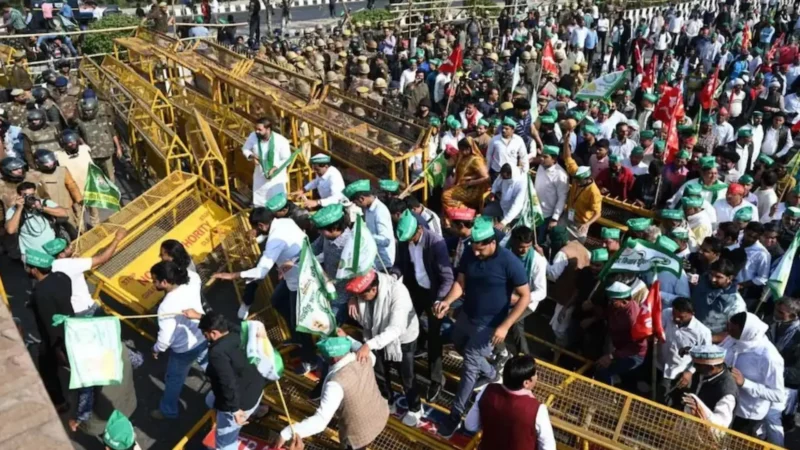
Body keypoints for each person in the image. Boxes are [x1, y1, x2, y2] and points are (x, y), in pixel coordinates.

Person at [434, 217, 531, 438]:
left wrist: (505, 326)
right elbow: (460, 282)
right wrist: (447, 302)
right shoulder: (470, 252)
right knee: (458, 343)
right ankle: (490, 372)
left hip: (490, 324)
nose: (476, 254)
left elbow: (525, 297)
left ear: (491, 242)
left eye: (480, 250)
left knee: (469, 363)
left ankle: (455, 414)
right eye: (474, 249)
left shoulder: (510, 262)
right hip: (467, 315)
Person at [212, 207, 317, 373]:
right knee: (277, 300)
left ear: (261, 225)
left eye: (255, 228)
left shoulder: (274, 240)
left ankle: (310, 359)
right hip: (295, 273)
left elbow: (261, 271)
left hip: (299, 282)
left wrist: (233, 275)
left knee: (299, 321)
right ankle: (297, 339)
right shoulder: (285, 222)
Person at [275, 336, 389, 449]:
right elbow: (360, 346)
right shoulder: (365, 356)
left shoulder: (335, 383)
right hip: (381, 415)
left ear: (333, 359)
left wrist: (287, 432)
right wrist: (347, 337)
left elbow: (320, 421)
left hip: (358, 435)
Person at [344, 268, 423, 426]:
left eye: (362, 296)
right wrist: (353, 298)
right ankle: (388, 399)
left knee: (406, 376)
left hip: (402, 339)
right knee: (379, 370)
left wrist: (369, 345)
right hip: (375, 332)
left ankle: (415, 408)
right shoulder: (370, 287)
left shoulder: (398, 293)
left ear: (374, 289)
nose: (361, 300)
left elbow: (396, 329)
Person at [392, 210, 453, 402]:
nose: (409, 241)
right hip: (415, 290)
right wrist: (393, 275)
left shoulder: (436, 243)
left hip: (434, 294)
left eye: (412, 238)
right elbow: (399, 264)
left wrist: (440, 300)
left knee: (435, 337)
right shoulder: (404, 239)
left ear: (420, 229)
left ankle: (436, 379)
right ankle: (414, 349)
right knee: (407, 323)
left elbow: (447, 277)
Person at [198, 312, 268, 449]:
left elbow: (228, 382)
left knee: (225, 443)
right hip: (255, 387)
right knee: (209, 400)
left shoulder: (217, 352)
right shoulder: (238, 333)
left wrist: (235, 410)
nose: (204, 336)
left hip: (239, 403)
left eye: (204, 333)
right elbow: (225, 323)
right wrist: (200, 317)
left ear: (213, 333)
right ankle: (257, 411)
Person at [149, 261, 207, 420]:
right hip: (202, 336)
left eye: (154, 280)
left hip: (183, 350)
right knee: (212, 368)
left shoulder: (165, 306)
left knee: (174, 381)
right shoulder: (193, 279)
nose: (153, 283)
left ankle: (168, 411)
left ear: (165, 282)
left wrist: (156, 349)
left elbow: (165, 340)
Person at [464, 355, 556, 450]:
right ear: (526, 383)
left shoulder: (487, 390)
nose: (537, 376)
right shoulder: (538, 410)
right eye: (536, 374)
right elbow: (549, 447)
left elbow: (470, 425)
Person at [722, 312, 786, 445]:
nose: (728, 331)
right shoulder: (734, 339)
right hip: (726, 403)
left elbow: (778, 395)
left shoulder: (769, 358)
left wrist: (745, 382)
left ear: (745, 332)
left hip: (746, 414)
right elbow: (719, 351)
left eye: (732, 329)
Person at [26, 249, 73, 411]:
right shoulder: (62, 277)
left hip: (55, 337)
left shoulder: (41, 293)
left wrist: (57, 349)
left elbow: (49, 323)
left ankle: (60, 403)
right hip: (72, 325)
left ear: (34, 270)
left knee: (47, 369)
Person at [42, 229, 127, 316]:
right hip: (86, 309)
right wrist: (117, 239)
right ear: (61, 254)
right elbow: (103, 258)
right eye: (67, 248)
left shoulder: (48, 266)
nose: (71, 247)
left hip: (71, 310)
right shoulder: (72, 264)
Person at [658, 298, 712, 408]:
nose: (676, 318)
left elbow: (704, 357)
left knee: (663, 401)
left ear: (692, 314)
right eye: (674, 314)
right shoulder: (666, 313)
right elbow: (658, 328)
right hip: (658, 363)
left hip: (676, 372)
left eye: (681, 317)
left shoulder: (703, 332)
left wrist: (690, 372)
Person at [594, 281, 648, 386]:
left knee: (604, 372)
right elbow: (607, 314)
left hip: (633, 355)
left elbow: (638, 346)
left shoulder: (633, 318)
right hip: (619, 348)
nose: (610, 303)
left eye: (612, 301)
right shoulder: (615, 307)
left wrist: (611, 356)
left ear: (623, 301)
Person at [505, 226, 547, 355]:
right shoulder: (506, 251)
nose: (524, 250)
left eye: (528, 247)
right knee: (517, 328)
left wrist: (520, 299)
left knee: (502, 322)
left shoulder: (537, 261)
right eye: (521, 247)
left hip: (527, 302)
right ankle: (524, 358)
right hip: (505, 296)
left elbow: (542, 292)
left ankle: (501, 354)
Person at [5, 181, 69, 256]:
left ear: (35, 193)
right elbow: (10, 230)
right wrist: (19, 209)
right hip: (33, 256)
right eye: (25, 195)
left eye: (31, 195)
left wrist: (41, 208)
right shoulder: (14, 210)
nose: (29, 198)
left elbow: (64, 213)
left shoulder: (43, 203)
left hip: (53, 250)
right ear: (19, 195)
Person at [682, 345, 739, 428]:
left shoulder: (726, 393)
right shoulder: (704, 372)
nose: (694, 367)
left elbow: (719, 427)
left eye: (697, 365)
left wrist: (699, 409)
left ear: (711, 368)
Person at [343, 180, 395, 269]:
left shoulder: (380, 211)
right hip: (373, 258)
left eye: (356, 203)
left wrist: (363, 235)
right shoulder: (368, 209)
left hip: (383, 262)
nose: (357, 206)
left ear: (361, 199)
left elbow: (386, 240)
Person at [767, 297, 800, 435]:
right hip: (767, 378)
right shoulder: (771, 324)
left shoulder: (798, 336)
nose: (776, 314)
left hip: (786, 386)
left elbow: (797, 374)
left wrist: (774, 370)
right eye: (776, 310)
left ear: (792, 316)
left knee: (772, 420)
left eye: (781, 313)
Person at [242, 118, 293, 207]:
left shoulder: (281, 141)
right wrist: (252, 156)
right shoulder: (253, 136)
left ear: (268, 129)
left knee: (277, 206)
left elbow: (287, 159)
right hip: (260, 180)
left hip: (276, 180)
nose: (257, 132)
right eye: (256, 129)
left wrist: (275, 167)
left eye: (260, 130)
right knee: (261, 208)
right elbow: (245, 149)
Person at [562, 130, 602, 242]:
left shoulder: (594, 192)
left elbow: (598, 213)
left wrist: (587, 224)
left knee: (577, 245)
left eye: (579, 180)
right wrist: (566, 142)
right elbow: (567, 158)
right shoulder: (577, 175)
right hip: (569, 216)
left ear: (587, 178)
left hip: (581, 223)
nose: (576, 181)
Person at [442, 138, 491, 211]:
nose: (461, 152)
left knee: (445, 196)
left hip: (472, 190)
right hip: (461, 185)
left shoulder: (476, 160)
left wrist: (471, 182)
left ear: (469, 148)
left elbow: (487, 177)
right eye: (460, 149)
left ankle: (469, 210)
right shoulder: (463, 156)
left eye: (462, 149)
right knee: (445, 191)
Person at [534, 145, 569, 238]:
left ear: (554, 159)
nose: (541, 159)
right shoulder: (541, 167)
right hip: (535, 211)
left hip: (547, 216)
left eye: (545, 157)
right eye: (541, 156)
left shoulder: (561, 175)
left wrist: (555, 218)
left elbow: (562, 198)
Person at [489, 163, 527, 228]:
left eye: (504, 177)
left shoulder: (521, 184)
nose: (502, 179)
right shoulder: (503, 175)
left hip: (515, 214)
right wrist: (493, 192)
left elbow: (517, 205)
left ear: (510, 175)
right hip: (503, 206)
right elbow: (496, 183)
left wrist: (504, 222)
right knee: (487, 212)